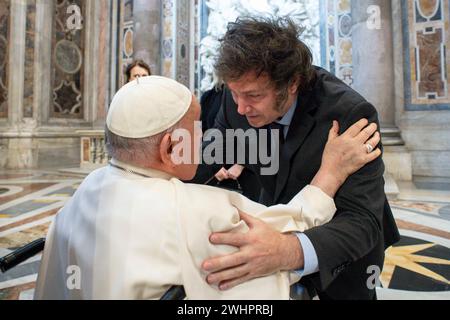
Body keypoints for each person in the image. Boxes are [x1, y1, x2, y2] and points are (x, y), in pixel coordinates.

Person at [34, 76, 380, 300]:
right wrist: (331, 172)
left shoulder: (87, 188)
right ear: (170, 148)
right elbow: (289, 230)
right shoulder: (200, 211)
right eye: (197, 128)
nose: (207, 138)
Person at [191, 17, 400, 300]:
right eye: (234, 93)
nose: (240, 108)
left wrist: (287, 250)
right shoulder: (237, 100)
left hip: (339, 258)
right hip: (272, 239)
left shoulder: (348, 114)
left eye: (253, 96)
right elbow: (206, 159)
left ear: (291, 84)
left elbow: (362, 221)